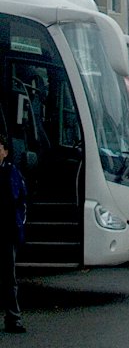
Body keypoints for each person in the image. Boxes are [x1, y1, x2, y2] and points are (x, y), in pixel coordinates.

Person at [0, 134, 27, 333]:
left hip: (7, 232)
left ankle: (13, 317)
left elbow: (21, 202)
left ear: (5, 151)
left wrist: (18, 225)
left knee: (9, 278)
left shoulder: (12, 173)